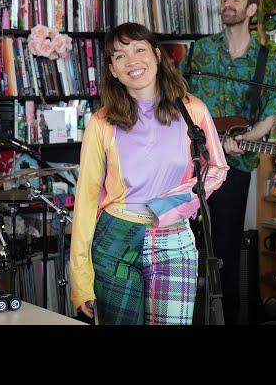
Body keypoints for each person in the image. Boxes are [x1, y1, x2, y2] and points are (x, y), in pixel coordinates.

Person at [70, 22, 229, 325]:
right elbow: (86, 201)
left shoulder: (191, 110)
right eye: (120, 56)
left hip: (173, 239)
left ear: (157, 55)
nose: (132, 61)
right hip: (116, 238)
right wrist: (80, 279)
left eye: (140, 50)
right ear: (113, 70)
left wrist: (170, 204)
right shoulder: (101, 122)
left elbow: (215, 169)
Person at [179, 0, 276, 324]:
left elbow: (272, 111)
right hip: (193, 161)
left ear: (252, 10)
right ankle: (185, 315)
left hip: (234, 166)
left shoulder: (264, 59)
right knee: (184, 246)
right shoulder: (201, 50)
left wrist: (246, 136)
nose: (228, 4)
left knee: (225, 248)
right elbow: (179, 99)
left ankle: (225, 317)